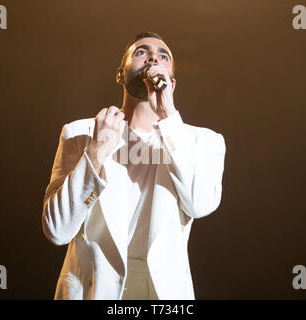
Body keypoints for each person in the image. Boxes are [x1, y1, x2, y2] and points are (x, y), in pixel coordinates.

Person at [41, 32, 226, 300]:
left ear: (171, 83)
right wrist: (97, 149)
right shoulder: (80, 133)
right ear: (120, 74)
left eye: (163, 56)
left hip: (162, 292)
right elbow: (57, 229)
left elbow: (200, 204)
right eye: (141, 52)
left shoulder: (203, 141)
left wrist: (168, 117)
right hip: (94, 288)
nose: (153, 57)